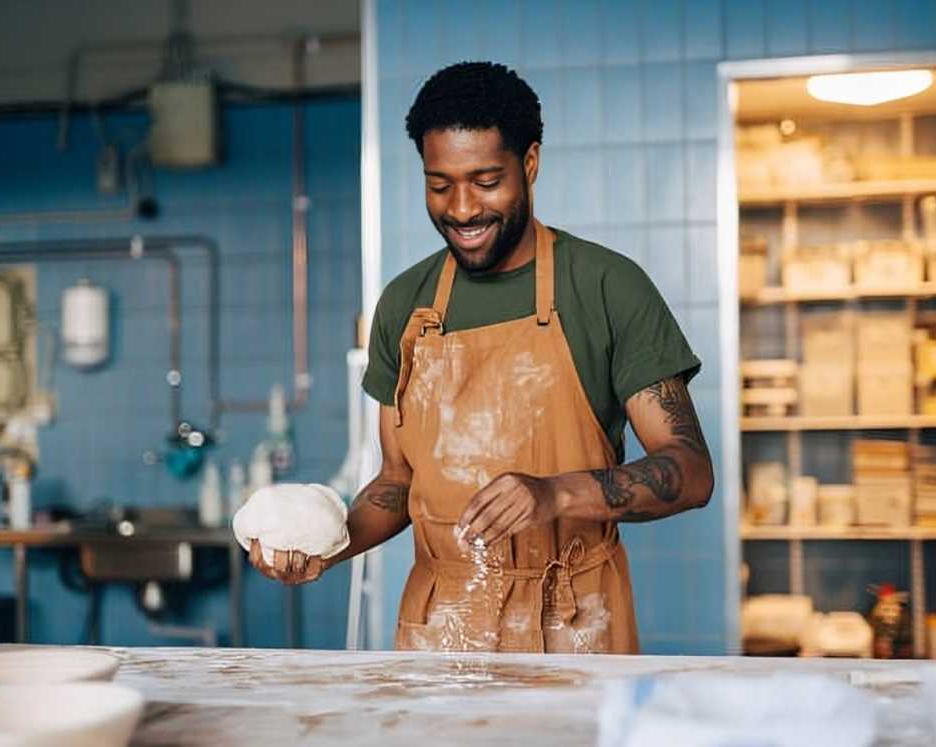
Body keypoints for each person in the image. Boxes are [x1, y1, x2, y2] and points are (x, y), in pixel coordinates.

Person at [249, 61, 713, 654]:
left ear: (531, 164)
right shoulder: (406, 307)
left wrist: (555, 493)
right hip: (440, 629)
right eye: (440, 185)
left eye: (486, 180)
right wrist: (325, 545)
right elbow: (397, 482)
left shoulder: (605, 286)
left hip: (575, 624)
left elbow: (691, 471)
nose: (462, 209)